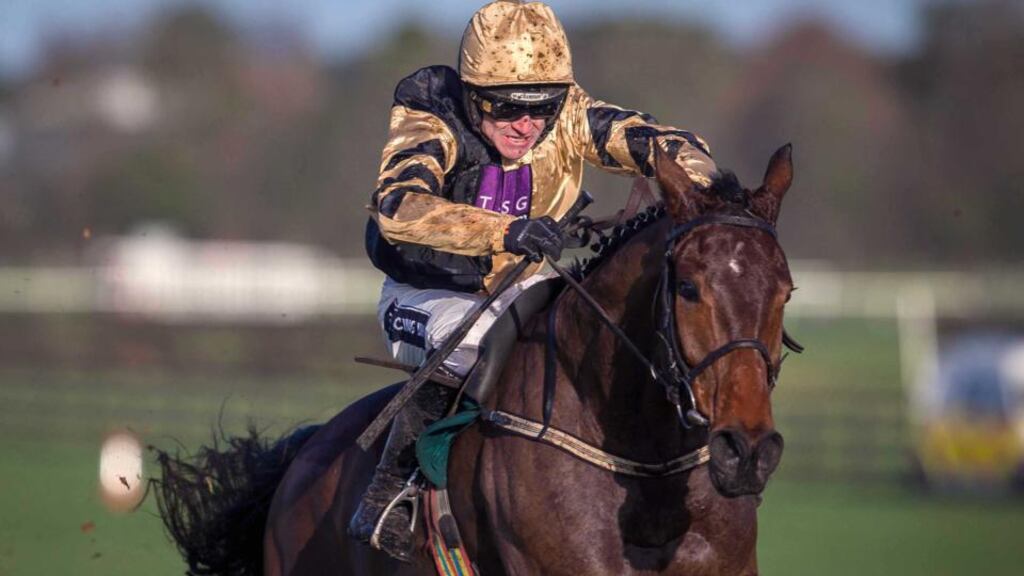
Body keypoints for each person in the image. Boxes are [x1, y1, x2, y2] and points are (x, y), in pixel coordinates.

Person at [354, 0, 718, 560]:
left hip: (517, 286)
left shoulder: (567, 117)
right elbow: (399, 206)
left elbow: (655, 140)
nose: (526, 125)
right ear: (473, 97)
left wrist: (701, 187)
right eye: (504, 109)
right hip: (425, 295)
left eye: (543, 108)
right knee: (477, 346)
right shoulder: (429, 120)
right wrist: (507, 231)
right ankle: (396, 487)